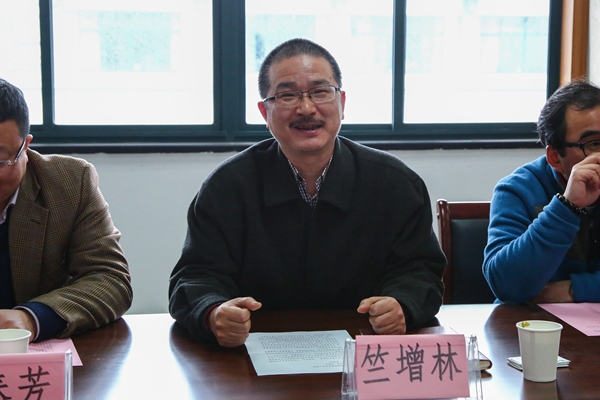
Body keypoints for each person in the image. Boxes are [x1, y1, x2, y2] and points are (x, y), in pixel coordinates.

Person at [169, 38, 445, 347]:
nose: (306, 108)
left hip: (364, 351)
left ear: (342, 103)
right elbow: (195, 277)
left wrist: (402, 304)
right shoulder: (228, 186)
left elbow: (421, 271)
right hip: (252, 353)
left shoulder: (395, 183)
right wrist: (213, 312)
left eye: (320, 92)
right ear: (264, 112)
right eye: (287, 95)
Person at [0, 78, 132, 342]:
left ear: (26, 146)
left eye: (0, 160)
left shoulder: (70, 183)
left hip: (32, 354)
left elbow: (110, 281)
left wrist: (32, 318)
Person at [483, 79, 600, 304]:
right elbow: (507, 286)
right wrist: (568, 207)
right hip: (534, 322)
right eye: (594, 144)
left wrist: (574, 289)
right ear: (555, 157)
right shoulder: (518, 190)